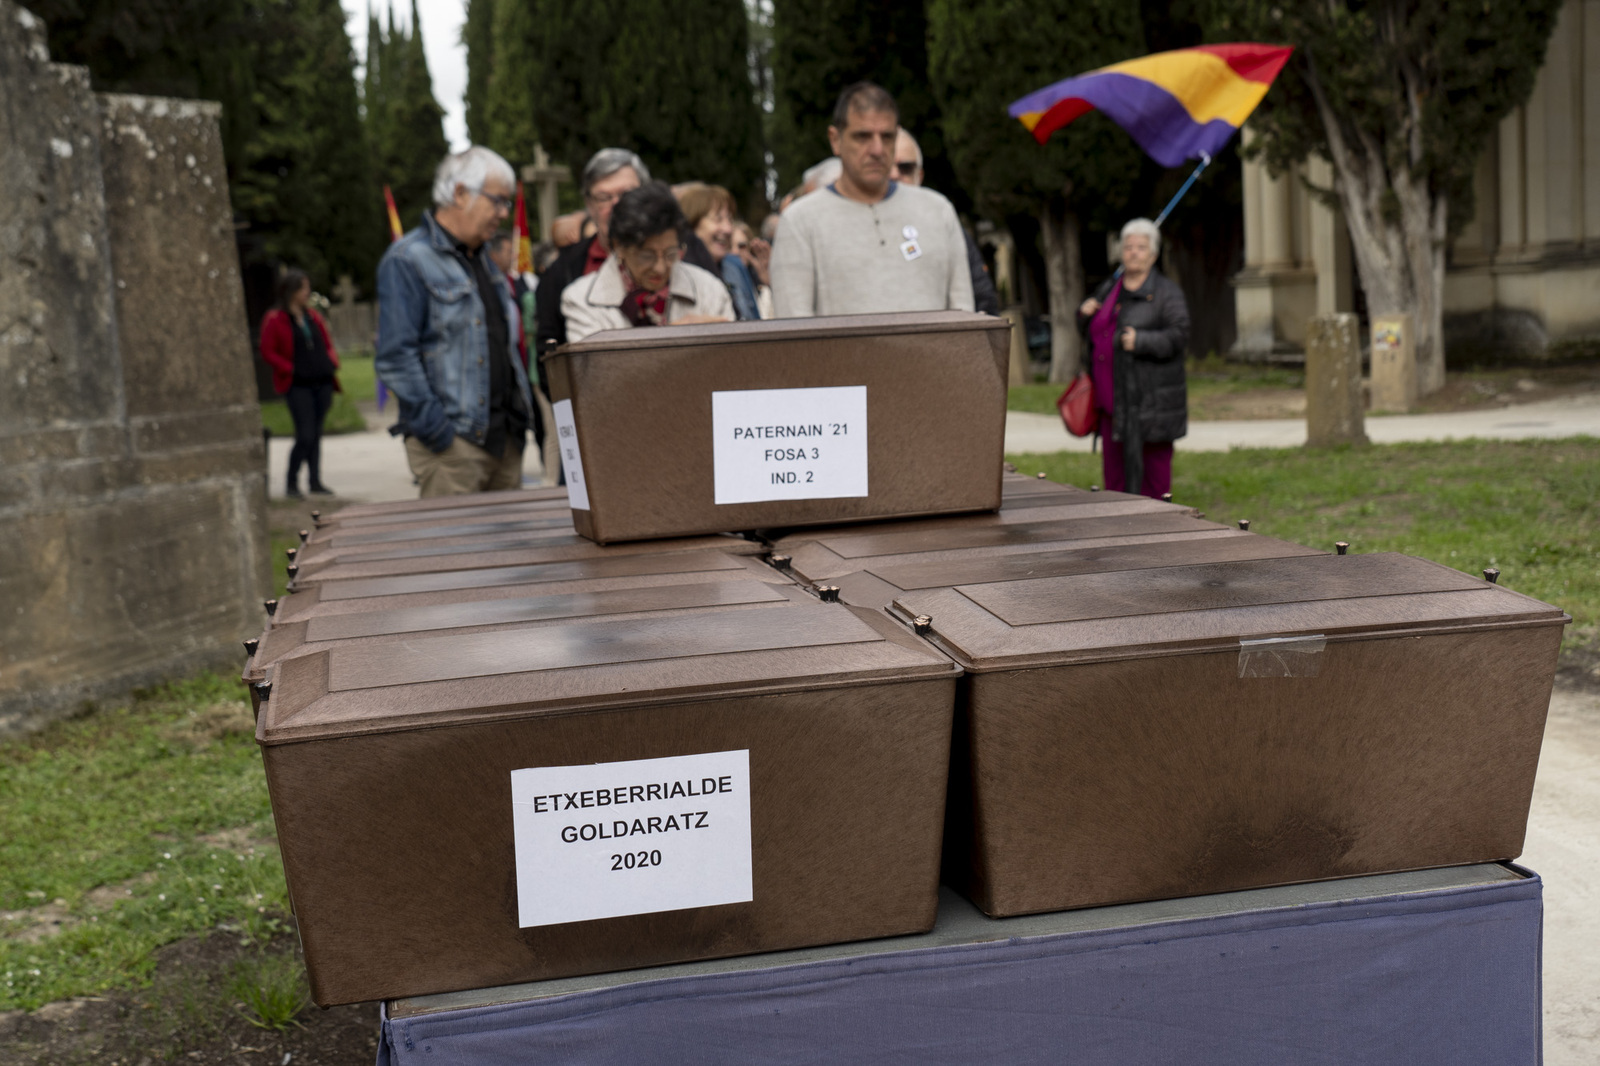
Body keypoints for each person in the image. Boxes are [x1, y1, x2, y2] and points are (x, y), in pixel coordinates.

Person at [376, 146, 535, 498]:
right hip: (455, 448)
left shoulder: (484, 258)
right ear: (460, 193)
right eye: (498, 201)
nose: (504, 213)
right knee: (457, 537)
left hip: (505, 441)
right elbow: (396, 357)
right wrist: (439, 435)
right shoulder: (407, 259)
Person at [770, 83, 973, 318]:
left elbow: (964, 319)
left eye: (887, 137)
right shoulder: (800, 222)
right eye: (862, 136)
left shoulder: (938, 211)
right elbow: (794, 328)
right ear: (835, 140)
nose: (877, 149)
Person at [1076, 218, 1190, 499]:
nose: (1133, 252)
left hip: (1150, 403)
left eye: (1141, 247)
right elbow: (1095, 333)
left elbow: (1180, 335)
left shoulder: (1166, 293)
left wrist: (1142, 341)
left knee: (1153, 478)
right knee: (1115, 479)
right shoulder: (1109, 289)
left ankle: (1157, 524)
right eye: (1128, 247)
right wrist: (1083, 316)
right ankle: (1120, 523)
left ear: (1153, 254)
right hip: (1112, 404)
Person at [561, 182, 733, 343]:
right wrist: (676, 337)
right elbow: (596, 364)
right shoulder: (581, 300)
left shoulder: (709, 290)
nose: (660, 268)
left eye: (671, 254)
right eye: (647, 256)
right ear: (619, 247)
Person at [536, 148, 649, 356]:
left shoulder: (682, 254)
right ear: (589, 205)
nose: (617, 205)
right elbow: (548, 355)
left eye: (627, 194)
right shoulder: (561, 272)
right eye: (604, 197)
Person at [893, 129, 1000, 316]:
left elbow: (981, 294)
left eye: (905, 168)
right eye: (886, 167)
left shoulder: (942, 217)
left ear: (920, 175)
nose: (894, 175)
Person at [259, 268, 341, 498]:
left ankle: (315, 480)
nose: (307, 292)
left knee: (316, 433)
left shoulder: (312, 316)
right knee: (305, 434)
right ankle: (291, 481)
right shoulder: (275, 319)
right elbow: (267, 350)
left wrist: (331, 361)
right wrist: (289, 368)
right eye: (303, 288)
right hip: (297, 384)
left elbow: (326, 342)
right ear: (291, 291)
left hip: (322, 381)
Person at [678, 182, 762, 320]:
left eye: (730, 219)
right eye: (718, 220)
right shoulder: (678, 275)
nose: (728, 229)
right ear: (692, 224)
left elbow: (754, 324)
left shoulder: (734, 268)